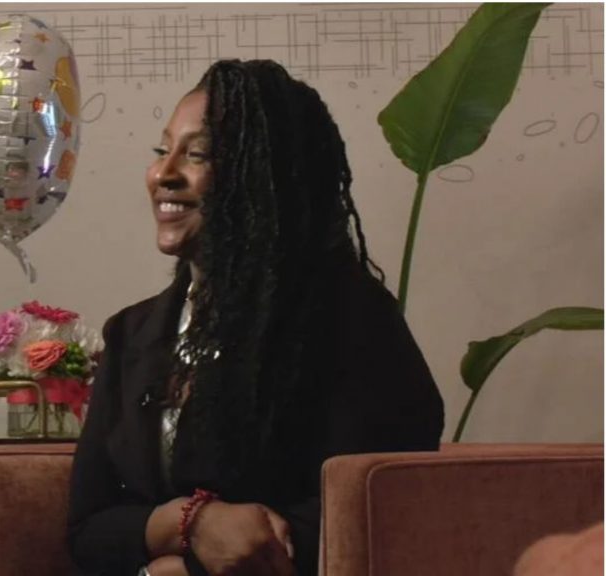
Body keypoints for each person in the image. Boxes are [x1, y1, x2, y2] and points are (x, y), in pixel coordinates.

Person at [66, 59, 445, 576]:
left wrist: (185, 570)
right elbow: (86, 531)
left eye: (196, 154)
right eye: (161, 150)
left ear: (267, 177)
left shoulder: (352, 325)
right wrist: (189, 522)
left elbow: (368, 519)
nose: (163, 174)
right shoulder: (132, 335)